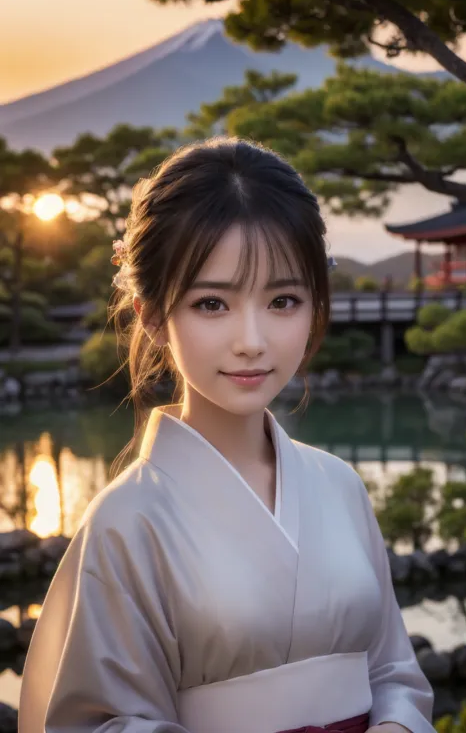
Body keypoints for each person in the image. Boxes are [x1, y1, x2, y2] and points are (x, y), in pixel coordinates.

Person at [19, 138, 434, 733]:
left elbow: (394, 672)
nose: (252, 340)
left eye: (283, 300)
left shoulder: (340, 486)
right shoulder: (128, 519)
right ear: (154, 315)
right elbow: (102, 723)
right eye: (212, 303)